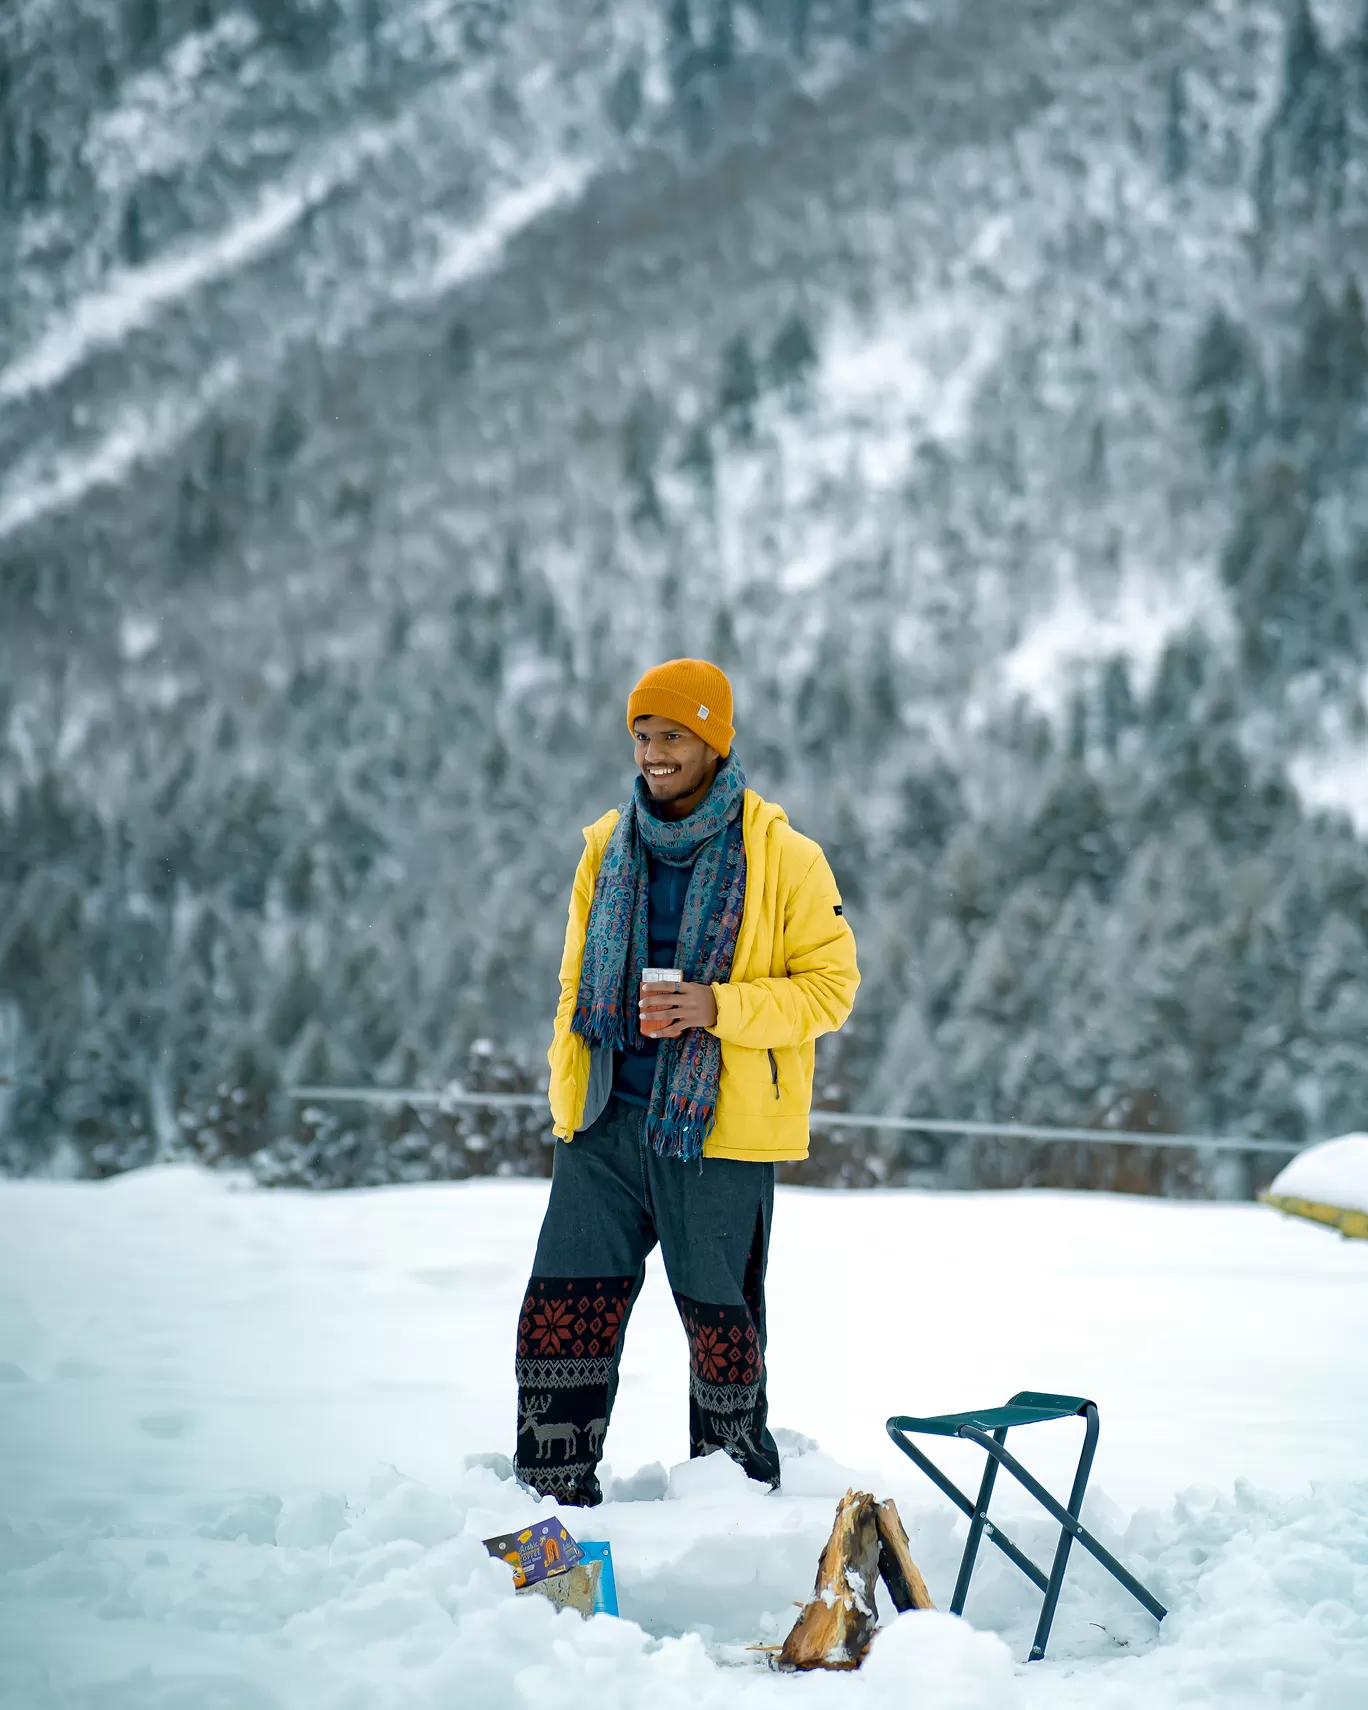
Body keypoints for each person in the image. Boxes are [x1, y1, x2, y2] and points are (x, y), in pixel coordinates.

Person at [513, 658, 860, 1505]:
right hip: (602, 1126)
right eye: (642, 737)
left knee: (722, 1342)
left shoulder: (785, 857)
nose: (654, 754)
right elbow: (572, 983)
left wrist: (716, 1007)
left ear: (714, 741)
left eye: (673, 736)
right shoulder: (608, 846)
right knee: (559, 1326)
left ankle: (732, 1521)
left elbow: (831, 990)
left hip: (718, 1134)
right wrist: (572, 1090)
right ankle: (550, 1516)